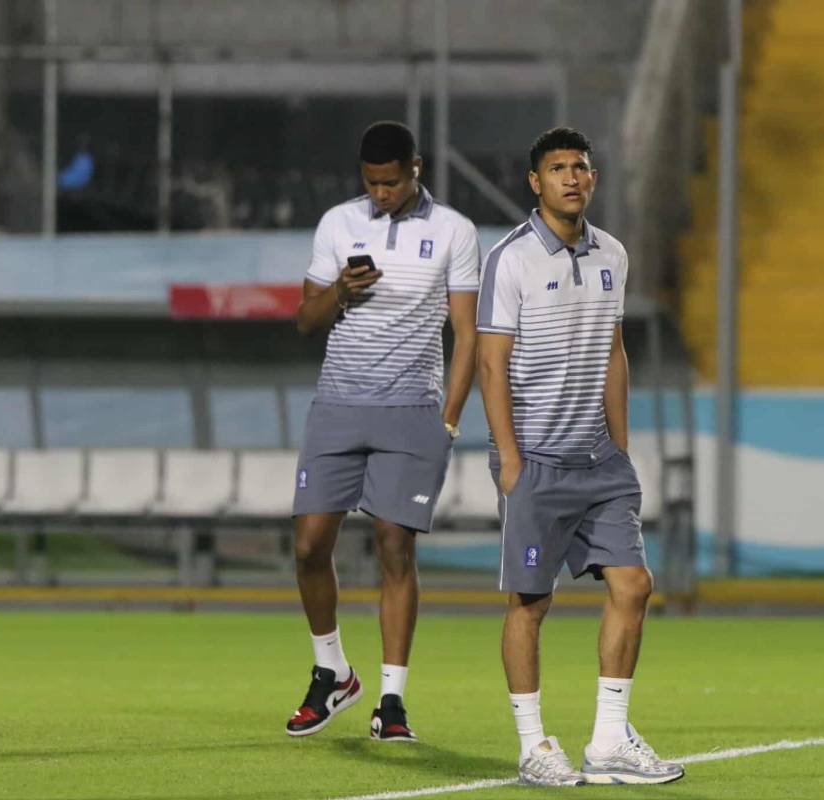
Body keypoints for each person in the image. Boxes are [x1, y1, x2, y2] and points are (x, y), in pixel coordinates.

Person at [477, 127, 685, 787]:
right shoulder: (508, 259)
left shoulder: (613, 256)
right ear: (534, 183)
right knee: (530, 604)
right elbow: (491, 362)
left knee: (635, 585)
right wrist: (509, 459)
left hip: (600, 460)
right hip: (534, 459)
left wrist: (620, 446)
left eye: (581, 167)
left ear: (593, 179)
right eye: (558, 168)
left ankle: (607, 741)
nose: (572, 177)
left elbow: (614, 351)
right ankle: (535, 746)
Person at [287, 121, 480, 741]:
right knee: (309, 545)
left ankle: (391, 701)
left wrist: (449, 419)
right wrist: (340, 290)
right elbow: (305, 321)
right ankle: (333, 671)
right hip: (338, 405)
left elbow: (468, 335)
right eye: (371, 183)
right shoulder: (337, 224)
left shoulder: (453, 231)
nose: (381, 193)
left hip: (411, 412)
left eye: (391, 181)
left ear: (415, 168)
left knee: (395, 547)